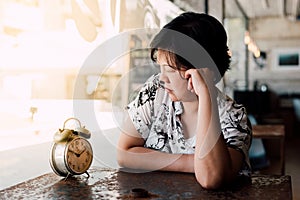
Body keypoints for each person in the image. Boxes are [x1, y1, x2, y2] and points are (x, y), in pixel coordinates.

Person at [117, 12, 252, 189]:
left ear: (201, 71)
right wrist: (193, 163)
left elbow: (211, 178)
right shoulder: (155, 91)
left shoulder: (233, 116)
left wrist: (206, 94)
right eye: (160, 68)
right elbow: (124, 154)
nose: (162, 78)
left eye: (171, 70)